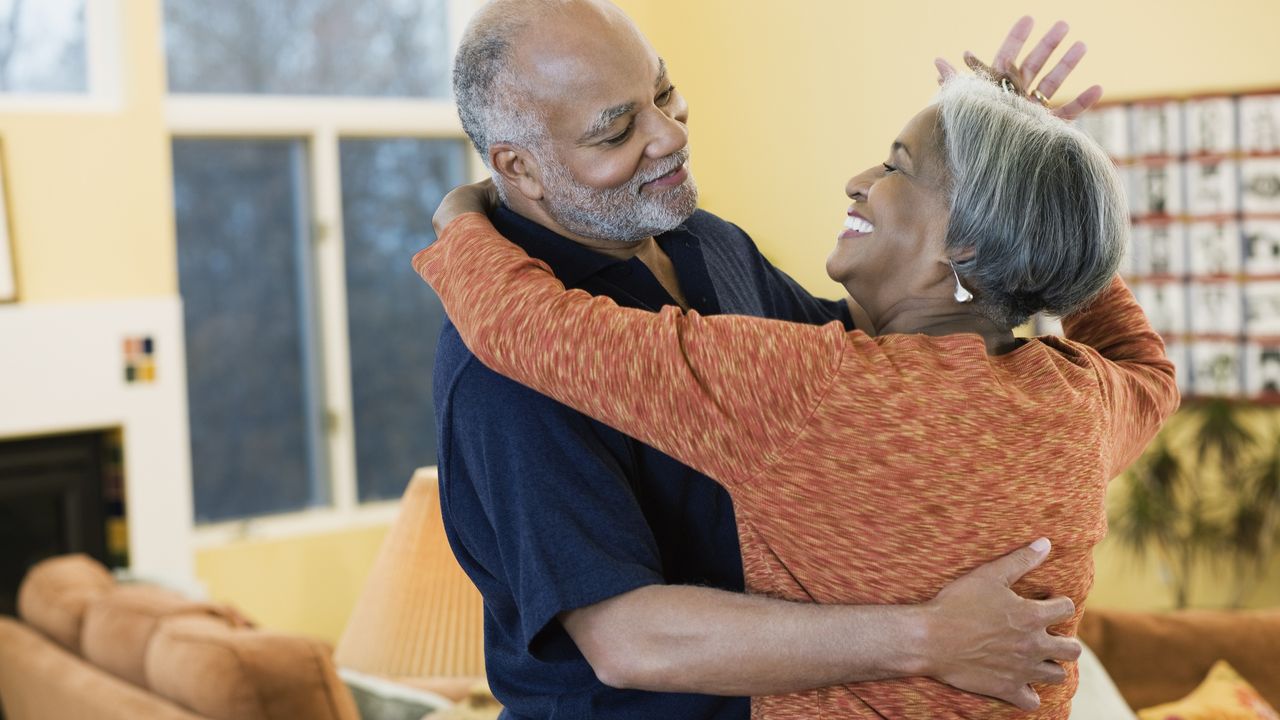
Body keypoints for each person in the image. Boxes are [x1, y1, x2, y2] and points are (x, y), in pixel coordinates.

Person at [418, 73, 1179, 718]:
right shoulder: (1082, 406)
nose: (859, 181)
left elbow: (530, 327)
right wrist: (1034, 182)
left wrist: (461, 215)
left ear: (965, 244)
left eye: (896, 167)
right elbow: (1148, 366)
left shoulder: (807, 390)